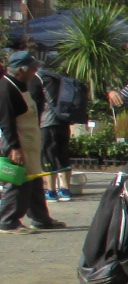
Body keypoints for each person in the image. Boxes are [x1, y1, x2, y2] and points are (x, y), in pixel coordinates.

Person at [0, 51, 65, 233]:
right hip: (17, 143)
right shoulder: (6, 89)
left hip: (29, 142)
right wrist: (15, 147)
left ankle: (40, 218)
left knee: (34, 180)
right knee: (17, 181)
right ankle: (8, 220)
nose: (35, 71)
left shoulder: (21, 85)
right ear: (22, 70)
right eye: (32, 68)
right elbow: (7, 122)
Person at [32, 60, 73, 203]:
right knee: (63, 155)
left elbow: (35, 102)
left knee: (47, 156)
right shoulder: (59, 78)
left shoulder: (38, 79)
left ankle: (51, 191)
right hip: (63, 122)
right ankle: (66, 190)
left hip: (46, 123)